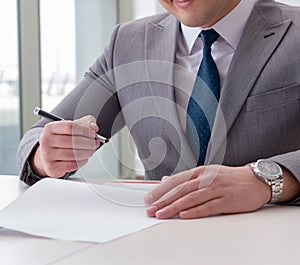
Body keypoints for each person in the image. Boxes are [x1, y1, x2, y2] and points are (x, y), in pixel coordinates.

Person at [17, 0, 300, 219]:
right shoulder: (127, 43)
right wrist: (47, 155)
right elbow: (36, 139)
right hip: (162, 242)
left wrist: (266, 180)